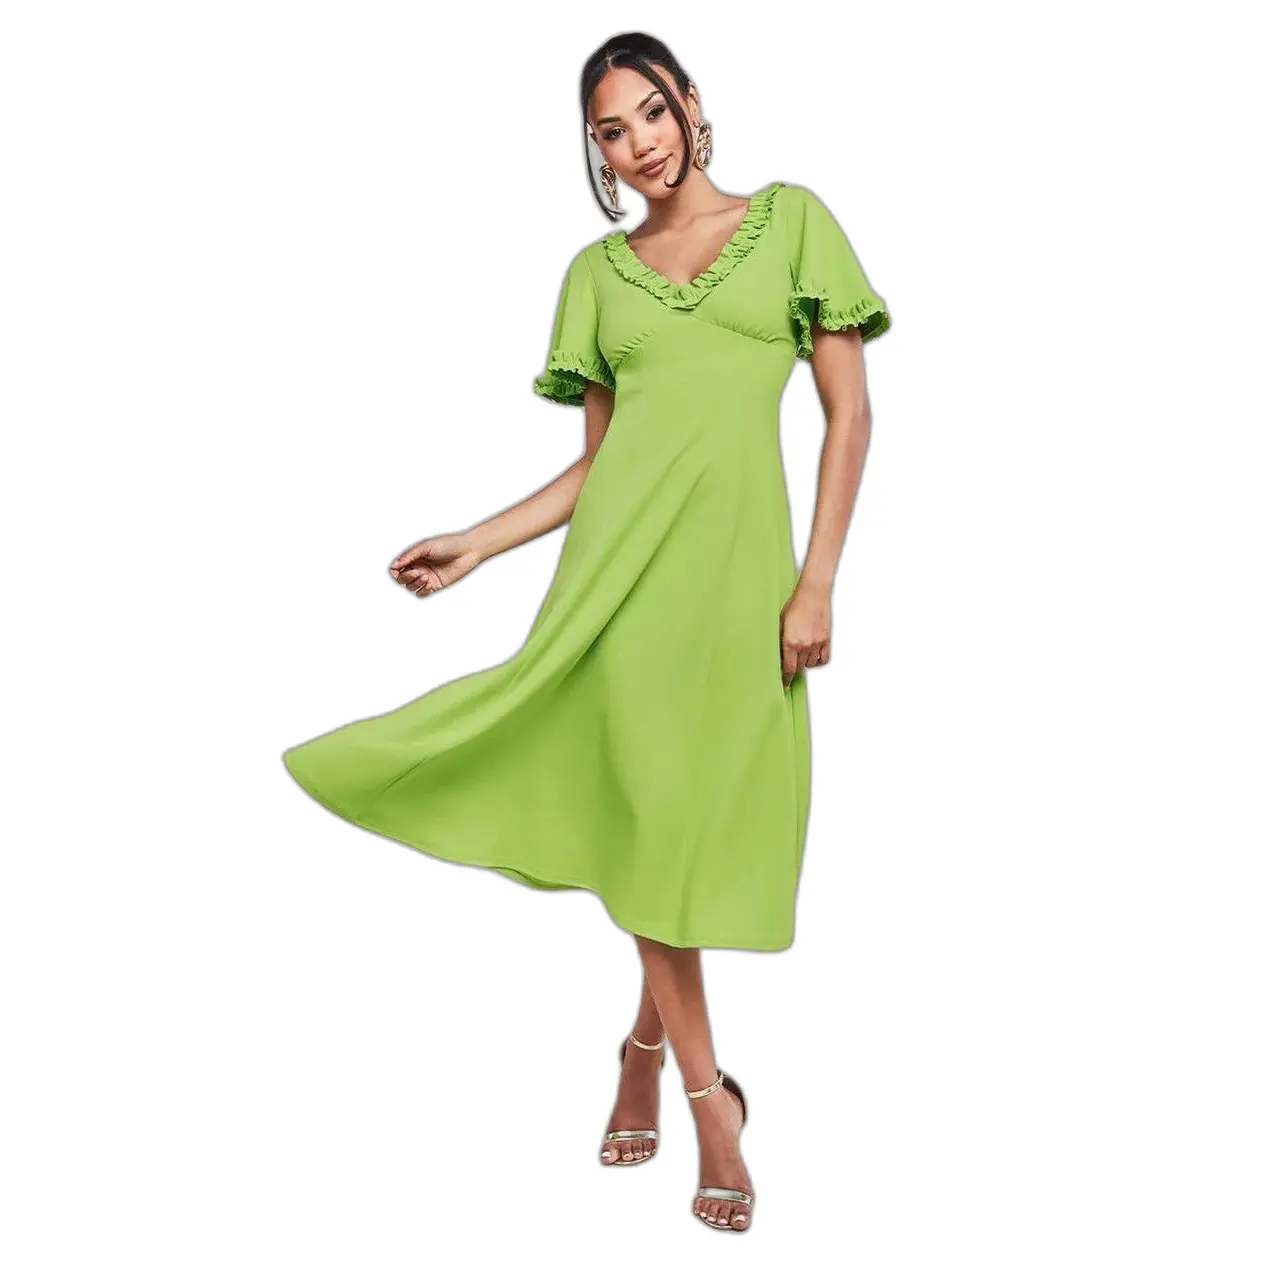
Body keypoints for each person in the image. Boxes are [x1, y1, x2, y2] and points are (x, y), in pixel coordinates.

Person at [282, 30, 889, 1233]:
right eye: (611, 131)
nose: (638, 144)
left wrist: (816, 583)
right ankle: (714, 1108)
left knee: (691, 843)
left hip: (741, 597)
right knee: (649, 831)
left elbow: (850, 412)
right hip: (620, 603)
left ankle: (640, 1051)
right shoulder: (596, 278)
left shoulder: (794, 222)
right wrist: (478, 541)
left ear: (692, 104)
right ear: (595, 151)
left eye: (651, 113)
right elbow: (599, 469)